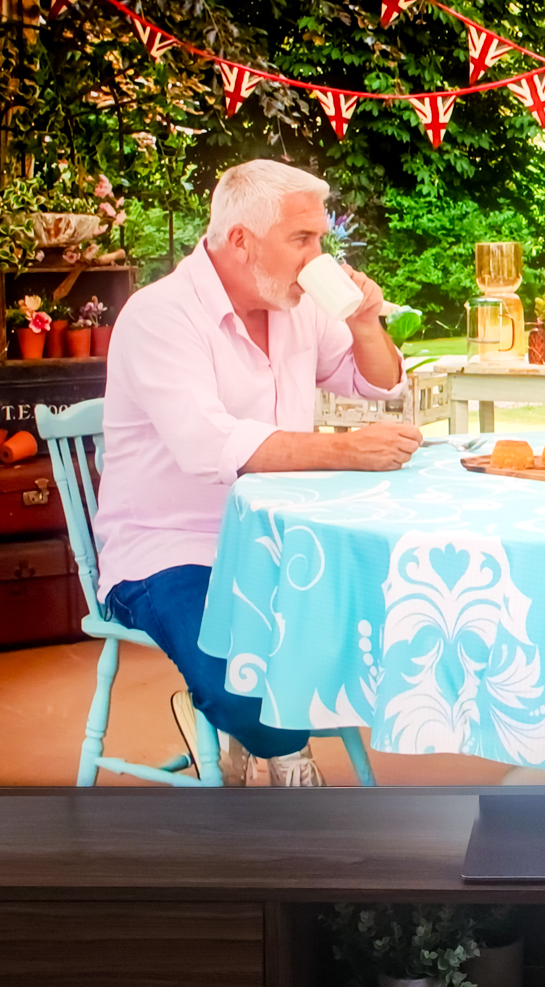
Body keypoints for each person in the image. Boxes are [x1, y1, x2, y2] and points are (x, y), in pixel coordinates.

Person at [94, 159, 422, 786]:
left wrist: (361, 322)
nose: (317, 255)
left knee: (387, 622)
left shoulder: (294, 306)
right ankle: (274, 747)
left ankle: (249, 731)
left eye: (320, 239)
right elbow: (206, 443)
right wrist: (345, 451)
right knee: (237, 685)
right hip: (172, 548)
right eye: (303, 239)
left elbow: (376, 383)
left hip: (279, 537)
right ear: (240, 240)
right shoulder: (159, 314)